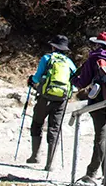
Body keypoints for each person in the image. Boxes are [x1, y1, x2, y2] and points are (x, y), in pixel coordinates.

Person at [71, 32, 106, 181]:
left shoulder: (94, 58)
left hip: (99, 103)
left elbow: (82, 82)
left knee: (101, 138)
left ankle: (95, 173)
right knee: (105, 137)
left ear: (98, 44)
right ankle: (105, 172)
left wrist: (73, 80)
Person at [26, 35, 77, 171]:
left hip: (45, 97)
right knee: (54, 129)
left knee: (37, 123)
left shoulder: (47, 58)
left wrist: (32, 80)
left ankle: (35, 156)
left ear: (53, 47)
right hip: (61, 100)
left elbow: (36, 78)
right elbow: (75, 83)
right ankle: (50, 164)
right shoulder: (69, 62)